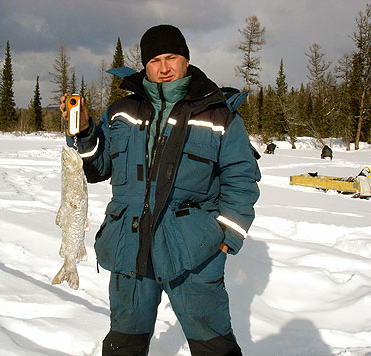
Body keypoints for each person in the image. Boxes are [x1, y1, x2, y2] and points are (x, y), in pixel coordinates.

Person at [60, 24, 260, 356]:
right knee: (124, 345)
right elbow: (96, 169)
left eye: (172, 58)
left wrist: (227, 235)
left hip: (193, 251)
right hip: (130, 248)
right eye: (155, 60)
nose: (164, 68)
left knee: (214, 347)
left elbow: (241, 178)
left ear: (186, 60)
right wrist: (82, 134)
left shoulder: (218, 114)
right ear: (145, 66)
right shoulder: (122, 111)